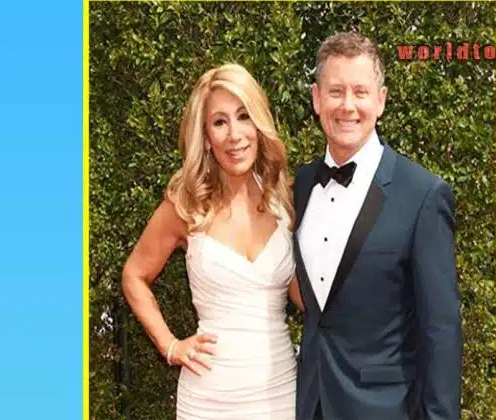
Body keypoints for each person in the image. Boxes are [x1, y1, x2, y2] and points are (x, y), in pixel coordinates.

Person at [292, 32, 463, 419]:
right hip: (311, 404)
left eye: (360, 92)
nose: (347, 105)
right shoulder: (301, 185)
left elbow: (441, 330)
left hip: (386, 408)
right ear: (316, 99)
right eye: (336, 91)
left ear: (381, 100)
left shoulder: (422, 194)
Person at [122, 63, 304, 419]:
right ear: (206, 137)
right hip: (207, 398)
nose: (234, 135)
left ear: (258, 125)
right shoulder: (185, 206)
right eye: (220, 122)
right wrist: (170, 346)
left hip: (279, 394)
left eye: (243, 116)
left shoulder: (285, 200)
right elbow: (134, 275)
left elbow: (302, 293)